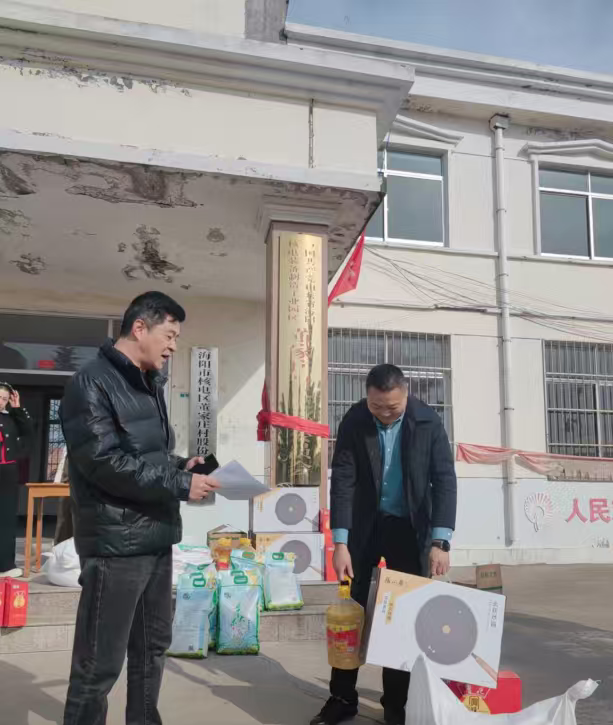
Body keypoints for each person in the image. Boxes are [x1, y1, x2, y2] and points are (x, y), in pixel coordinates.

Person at [60, 291, 219, 725]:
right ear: (139, 328)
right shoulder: (90, 383)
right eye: (169, 335)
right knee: (99, 664)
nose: (173, 346)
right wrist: (180, 484)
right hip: (116, 545)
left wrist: (181, 465)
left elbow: (146, 456)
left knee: (152, 648)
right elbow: (103, 463)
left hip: (156, 536)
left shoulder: (148, 384)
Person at [311, 364, 457, 725]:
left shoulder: (427, 422)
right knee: (352, 612)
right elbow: (343, 480)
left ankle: (397, 702)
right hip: (364, 527)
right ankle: (342, 697)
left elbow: (444, 480)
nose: (384, 414)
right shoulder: (355, 420)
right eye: (376, 406)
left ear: (406, 395)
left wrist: (440, 541)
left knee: (404, 614)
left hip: (409, 528)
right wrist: (340, 542)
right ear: (367, 397)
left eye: (392, 407)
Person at [0, 383, 33, 578]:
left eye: (4, 399)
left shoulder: (12, 417)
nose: (1, 401)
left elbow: (28, 431)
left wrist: (17, 407)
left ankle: (5, 565)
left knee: (6, 518)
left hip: (8, 471)